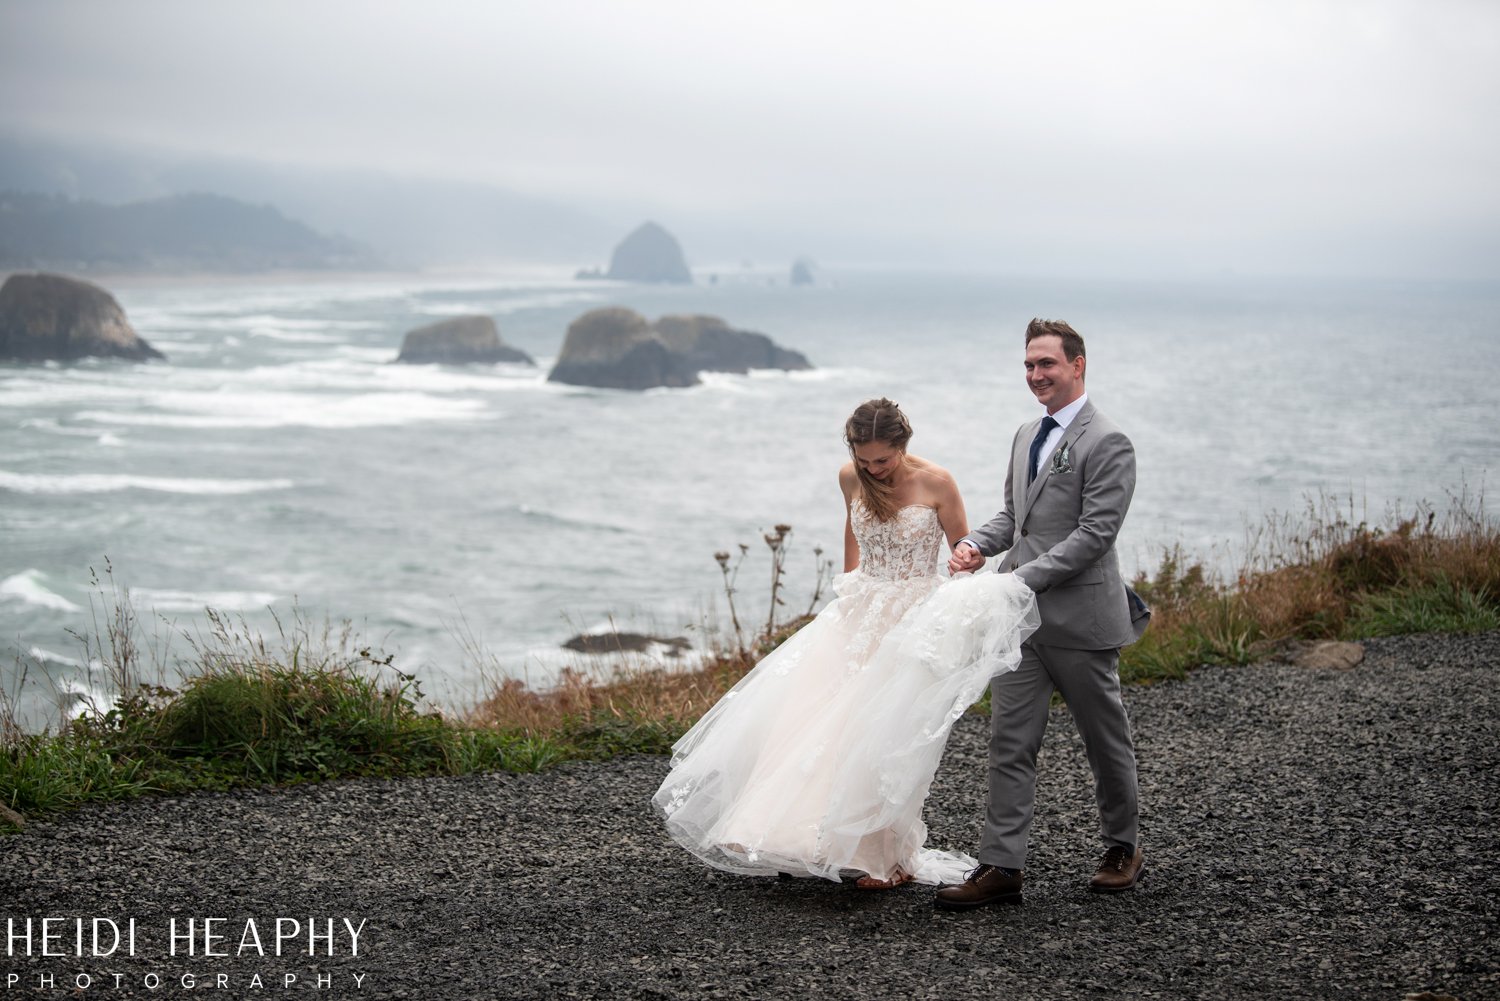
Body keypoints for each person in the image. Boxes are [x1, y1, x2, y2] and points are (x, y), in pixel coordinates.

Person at [653, 398, 1039, 889]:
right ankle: (802, 836)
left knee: (888, 735)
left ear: (903, 445)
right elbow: (852, 532)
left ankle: (888, 859)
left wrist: (966, 561)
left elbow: (967, 549)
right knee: (818, 722)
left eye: (883, 459)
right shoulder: (849, 477)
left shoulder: (937, 482)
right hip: (859, 610)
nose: (873, 469)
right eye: (864, 459)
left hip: (913, 617)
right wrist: (850, 585)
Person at [936, 318, 1150, 910]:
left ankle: (1121, 847)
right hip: (1020, 625)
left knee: (1104, 740)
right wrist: (978, 544)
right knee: (1009, 741)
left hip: (1080, 622)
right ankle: (1002, 865)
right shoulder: (1025, 433)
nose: (1035, 376)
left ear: (1078, 365)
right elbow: (1015, 519)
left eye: (1046, 365)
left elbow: (1095, 535)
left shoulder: (1109, 441)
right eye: (1029, 365)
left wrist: (1019, 580)